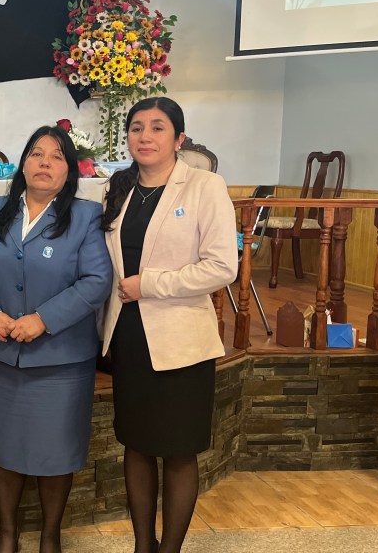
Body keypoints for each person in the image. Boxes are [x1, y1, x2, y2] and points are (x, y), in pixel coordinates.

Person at [0, 126, 112, 553]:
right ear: (23, 163)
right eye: (37, 154)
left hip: (61, 357)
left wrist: (44, 319)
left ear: (69, 170)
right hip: (3, 353)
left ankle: (50, 536)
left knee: (57, 451)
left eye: (57, 156)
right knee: (5, 447)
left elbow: (97, 280)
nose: (45, 163)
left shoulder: (85, 216)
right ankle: (7, 534)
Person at [100, 97, 236, 553]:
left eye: (157, 127)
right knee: (136, 444)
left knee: (178, 449)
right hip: (128, 333)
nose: (145, 136)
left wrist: (151, 284)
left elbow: (222, 267)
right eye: (136, 127)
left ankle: (170, 549)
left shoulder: (204, 186)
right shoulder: (117, 187)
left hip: (181, 339)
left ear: (179, 139)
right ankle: (143, 545)